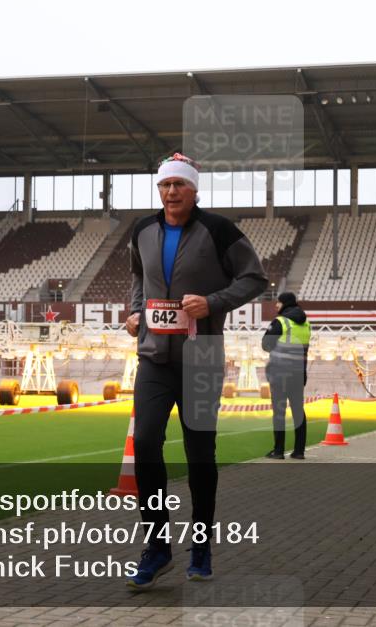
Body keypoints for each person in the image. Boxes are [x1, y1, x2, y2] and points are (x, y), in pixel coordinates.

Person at [124, 153, 267, 590]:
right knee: (145, 443)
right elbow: (138, 277)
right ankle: (157, 547)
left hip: (201, 356)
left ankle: (201, 547)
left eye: (179, 185)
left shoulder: (219, 230)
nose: (171, 192)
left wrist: (213, 303)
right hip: (153, 358)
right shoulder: (142, 230)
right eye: (165, 185)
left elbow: (254, 278)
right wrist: (135, 313)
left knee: (200, 455)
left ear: (194, 190)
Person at [261, 291, 310, 460]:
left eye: (279, 302)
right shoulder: (306, 324)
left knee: (279, 413)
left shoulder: (281, 322)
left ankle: (279, 451)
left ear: (285, 304)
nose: (276, 305)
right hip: (298, 374)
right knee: (298, 412)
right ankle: (299, 451)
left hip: (280, 374)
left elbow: (266, 344)